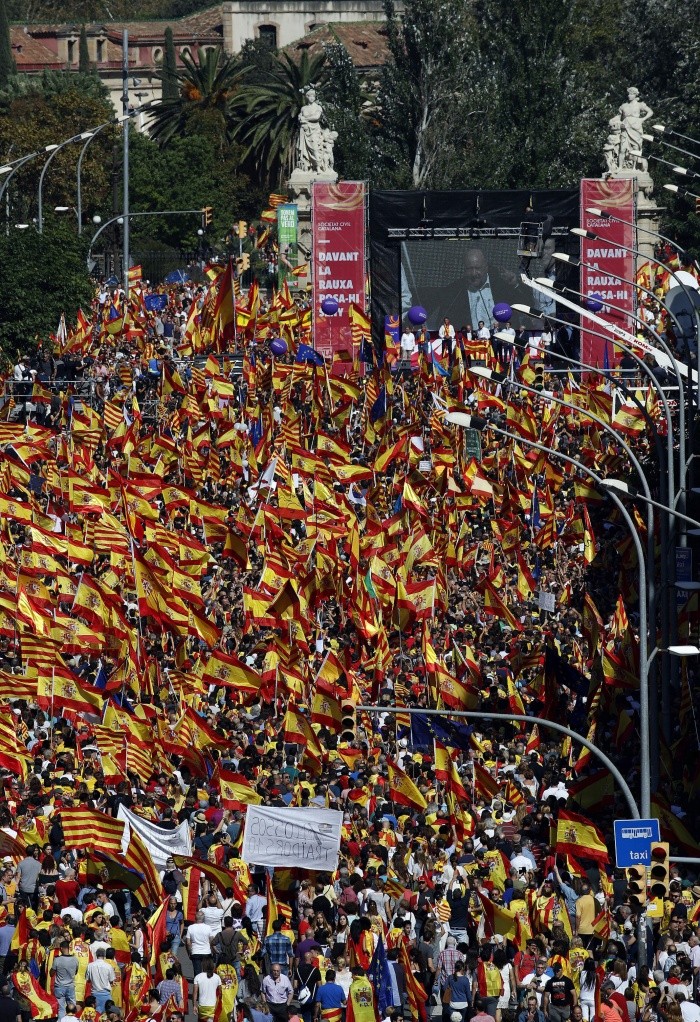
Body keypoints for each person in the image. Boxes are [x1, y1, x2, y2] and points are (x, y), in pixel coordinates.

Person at [51, 941, 79, 1019]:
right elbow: (76, 972)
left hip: (59, 987)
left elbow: (51, 973)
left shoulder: (57, 960)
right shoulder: (75, 959)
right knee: (72, 1007)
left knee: (61, 1008)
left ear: (61, 948)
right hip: (70, 986)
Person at [85, 949, 117, 1014]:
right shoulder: (108, 966)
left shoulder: (90, 966)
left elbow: (87, 980)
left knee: (95, 1016)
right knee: (108, 1015)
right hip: (106, 994)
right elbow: (112, 980)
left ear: (96, 955)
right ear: (104, 955)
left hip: (95, 995)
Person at [186, 911, 213, 977]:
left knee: (197, 972)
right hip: (206, 952)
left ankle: (197, 986)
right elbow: (211, 940)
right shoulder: (208, 927)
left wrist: (189, 952)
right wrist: (212, 950)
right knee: (207, 971)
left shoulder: (190, 927)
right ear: (204, 918)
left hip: (195, 952)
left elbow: (188, 943)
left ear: (195, 917)